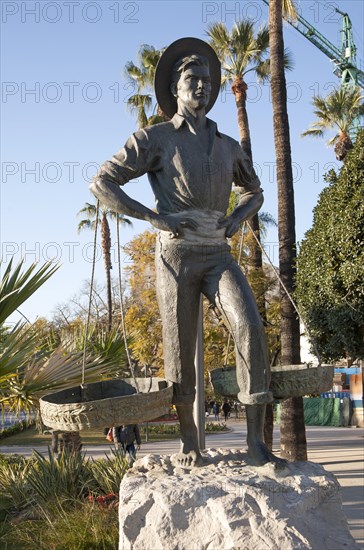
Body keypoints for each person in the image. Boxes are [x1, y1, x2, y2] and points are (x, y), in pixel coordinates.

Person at [90, 37, 286, 469]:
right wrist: (152, 217)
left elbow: (255, 192)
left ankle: (256, 443)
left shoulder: (227, 144)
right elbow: (102, 183)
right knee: (179, 350)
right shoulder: (155, 138)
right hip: (175, 256)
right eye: (192, 80)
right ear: (175, 89)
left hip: (218, 254)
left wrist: (235, 220)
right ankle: (190, 443)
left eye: (208, 81)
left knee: (251, 328)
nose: (202, 87)